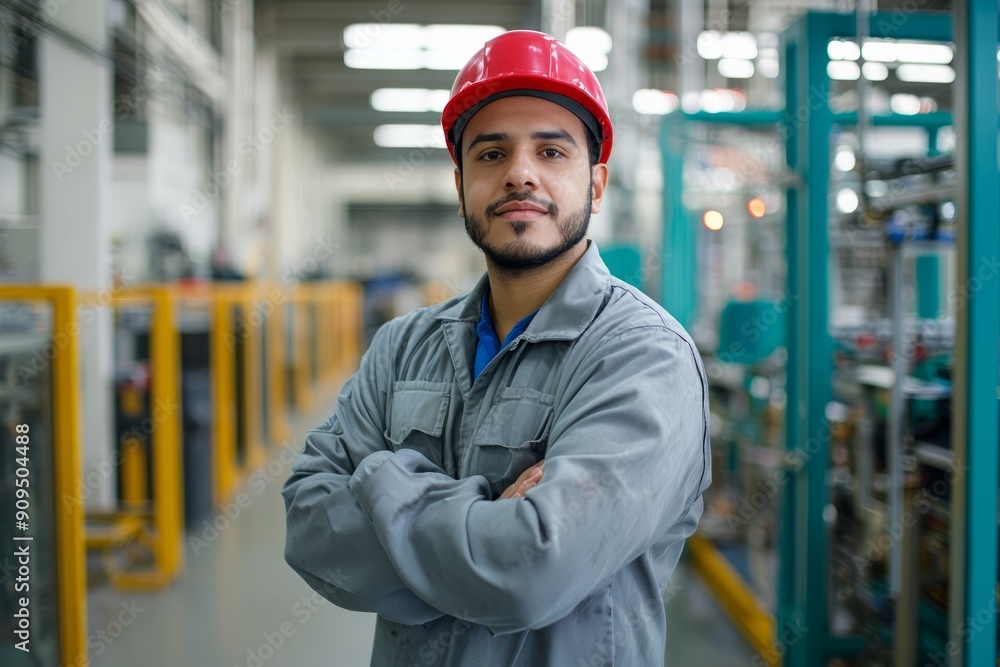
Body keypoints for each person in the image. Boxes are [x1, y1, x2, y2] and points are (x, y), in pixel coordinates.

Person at [281, 29, 711, 666]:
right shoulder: (403, 347)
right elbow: (310, 526)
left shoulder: (645, 358)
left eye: (551, 151)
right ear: (461, 185)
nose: (519, 173)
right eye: (490, 154)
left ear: (595, 184)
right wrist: (485, 530)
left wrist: (373, 477)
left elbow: (530, 573)